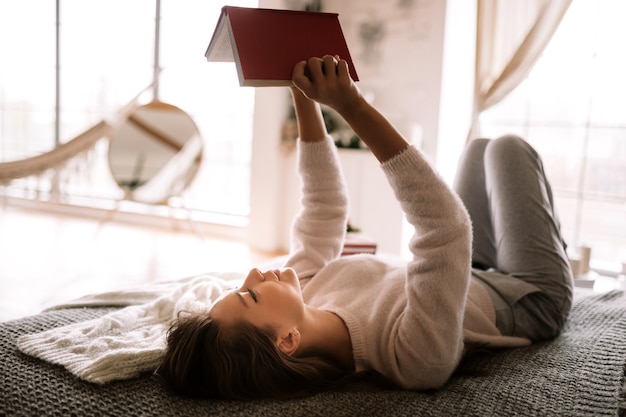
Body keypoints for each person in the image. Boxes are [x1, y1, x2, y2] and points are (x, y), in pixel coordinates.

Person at [156, 55, 574, 400]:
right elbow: (445, 230)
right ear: (287, 341)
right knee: (506, 148)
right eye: (248, 294)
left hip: (470, 272)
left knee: (478, 149)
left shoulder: (304, 289)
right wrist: (352, 106)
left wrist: (301, 95)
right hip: (527, 296)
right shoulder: (412, 359)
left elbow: (323, 208)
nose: (253, 273)